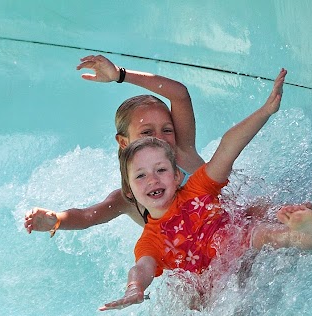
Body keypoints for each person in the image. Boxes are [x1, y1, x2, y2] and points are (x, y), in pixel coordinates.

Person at [99, 69, 312, 316]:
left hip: (238, 239)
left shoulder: (197, 186)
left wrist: (265, 111)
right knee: (205, 297)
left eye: (161, 170)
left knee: (271, 238)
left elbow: (229, 147)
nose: (153, 180)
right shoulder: (149, 241)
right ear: (129, 189)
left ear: (176, 175)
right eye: (141, 176)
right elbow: (142, 267)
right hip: (215, 272)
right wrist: (134, 287)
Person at [24, 54, 205, 235]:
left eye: (167, 130)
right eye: (147, 132)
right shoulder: (128, 198)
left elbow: (180, 95)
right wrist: (57, 220)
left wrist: (120, 74)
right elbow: (87, 216)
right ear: (123, 142)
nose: (160, 138)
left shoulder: (183, 152)